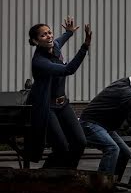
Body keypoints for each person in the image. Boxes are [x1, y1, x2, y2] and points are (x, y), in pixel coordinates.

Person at [26, 17, 92, 167]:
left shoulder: (54, 45)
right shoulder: (40, 61)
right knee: (61, 147)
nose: (49, 36)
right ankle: (45, 176)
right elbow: (69, 70)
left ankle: (69, 175)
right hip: (46, 107)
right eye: (43, 35)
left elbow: (60, 40)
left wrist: (68, 33)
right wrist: (85, 46)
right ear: (36, 41)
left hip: (63, 104)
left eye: (49, 32)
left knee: (80, 142)